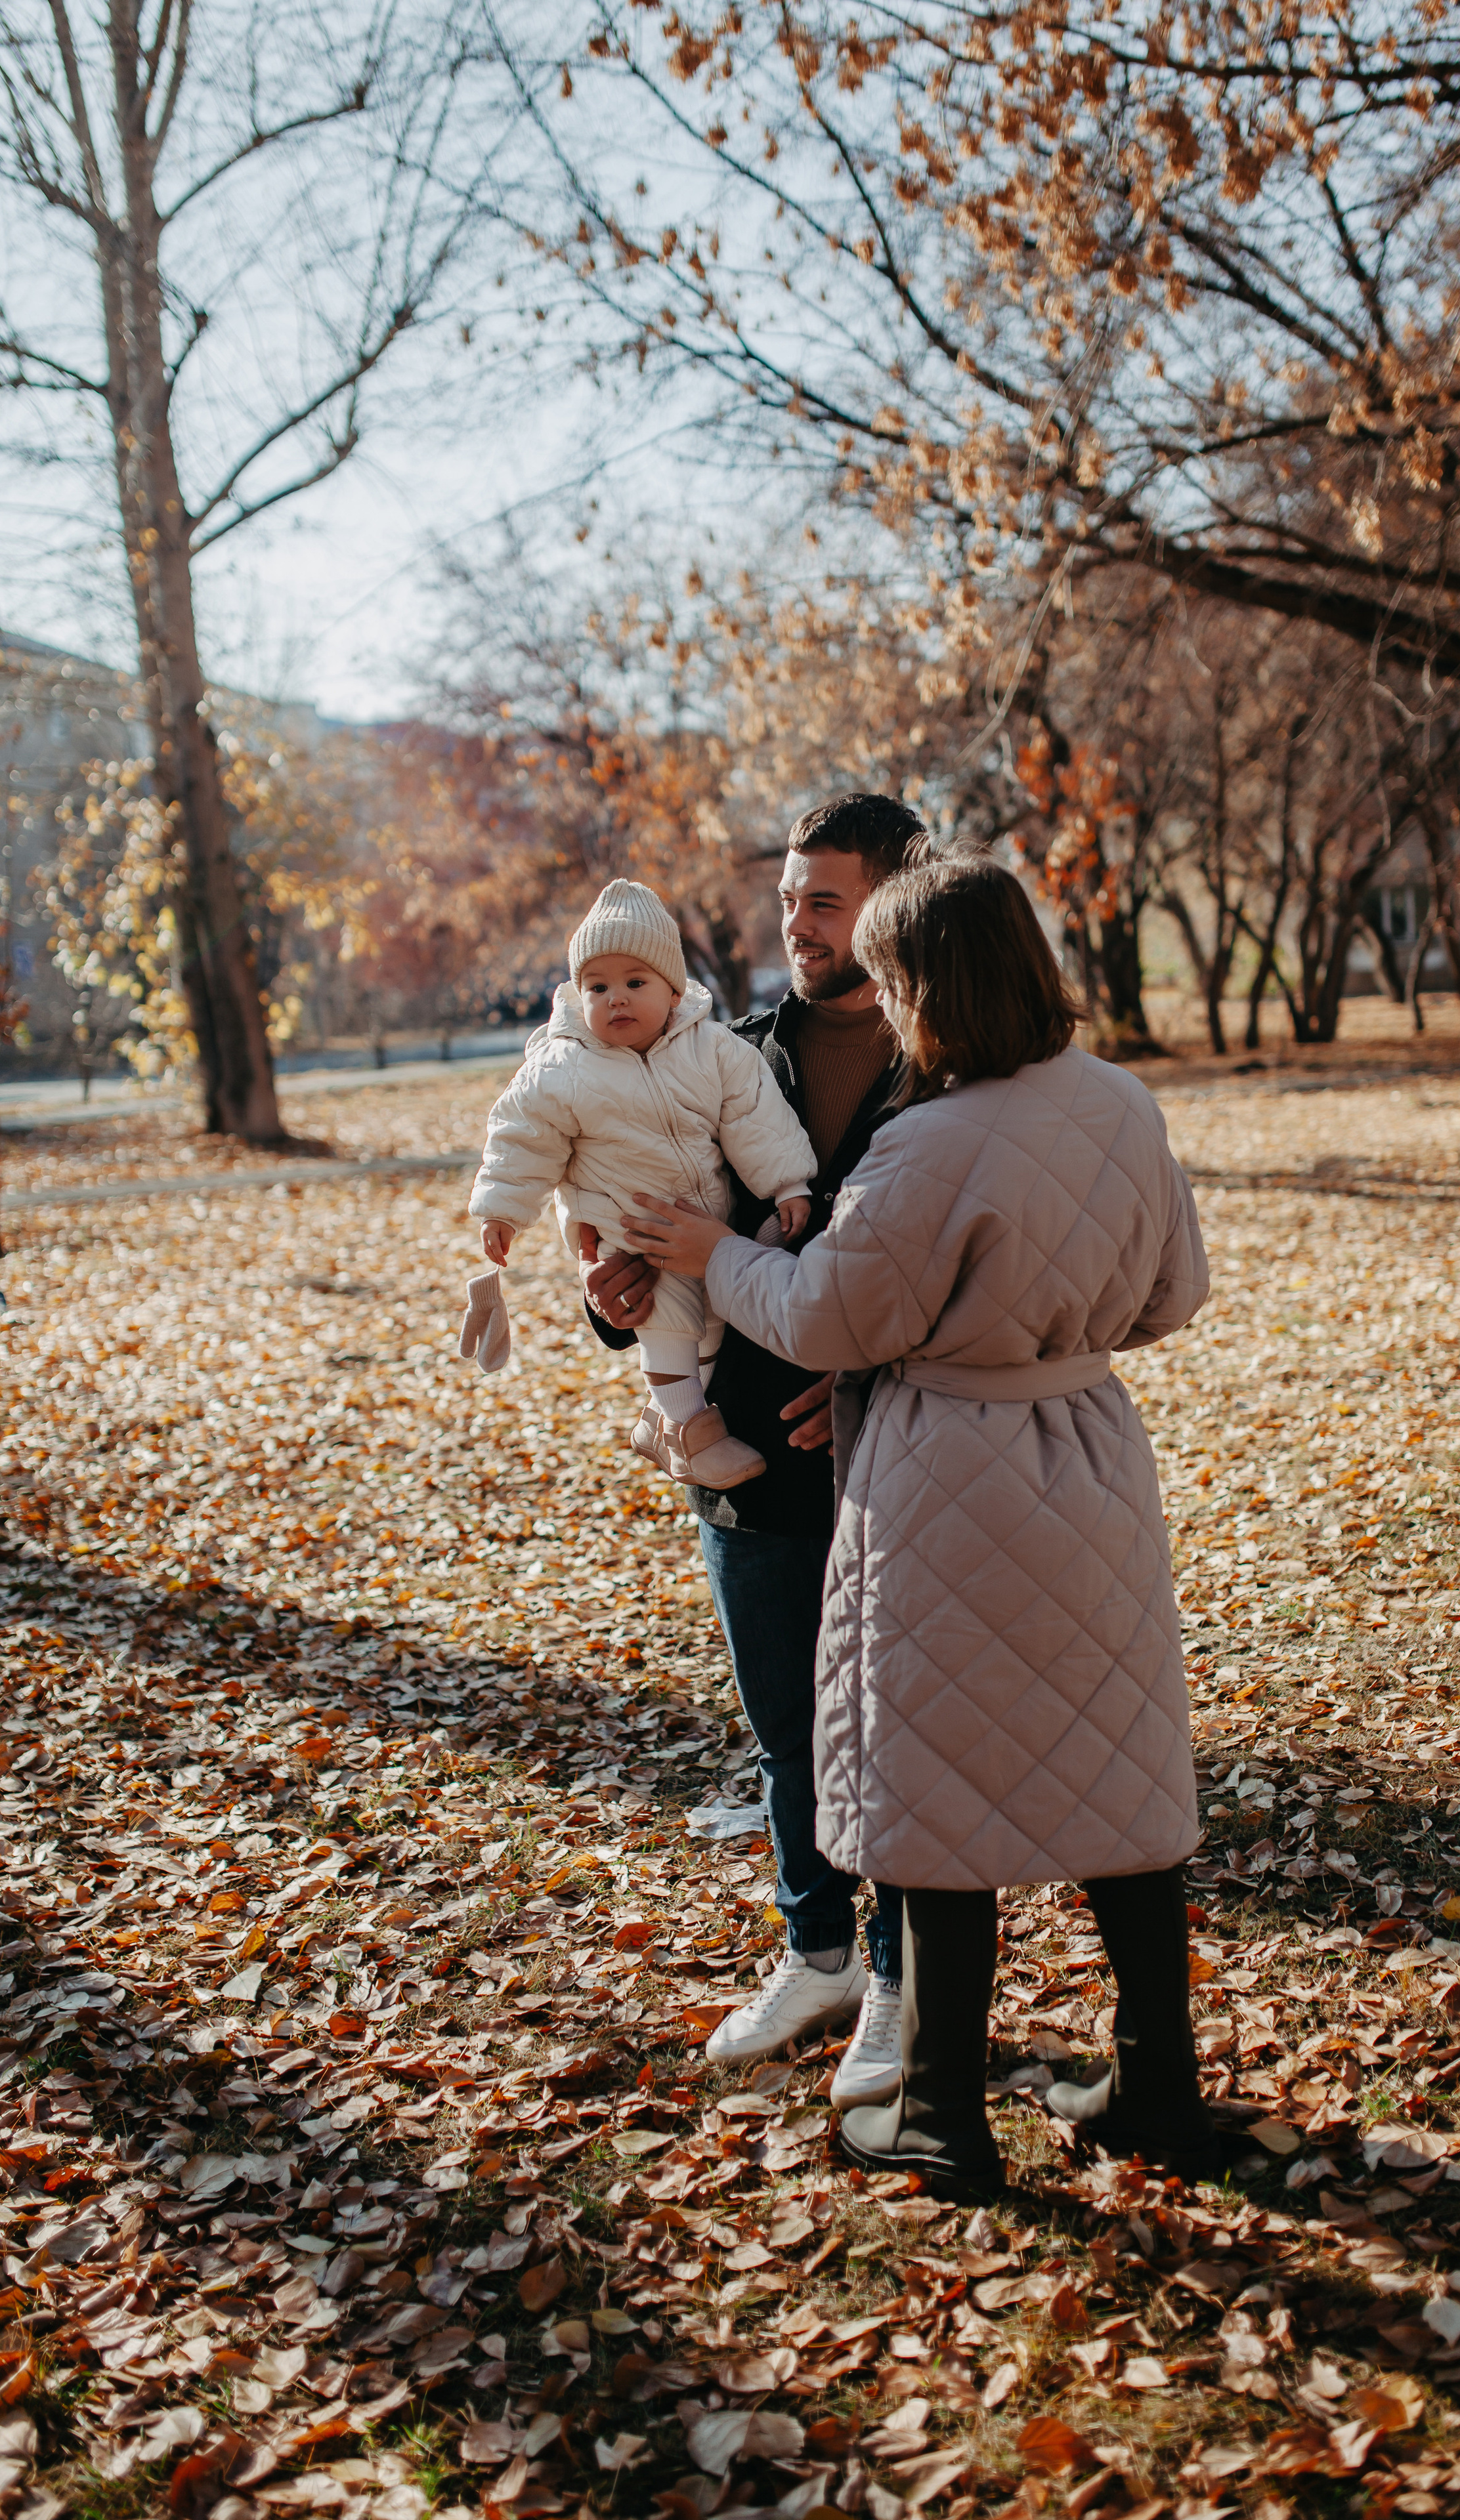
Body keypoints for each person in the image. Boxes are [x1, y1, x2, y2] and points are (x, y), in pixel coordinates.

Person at [621, 856, 1222, 2190]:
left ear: (924, 988)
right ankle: (1157, 2086)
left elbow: (828, 1316)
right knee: (1119, 1772)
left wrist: (710, 1257)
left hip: (950, 1478)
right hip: (1091, 1463)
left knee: (934, 1784)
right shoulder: (1119, 1103)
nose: (880, 1008)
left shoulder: (924, 1140)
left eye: (889, 982)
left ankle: (944, 2115)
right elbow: (1171, 1291)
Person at [580, 797, 918, 2101]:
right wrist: (608, 1295)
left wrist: (875, 1374)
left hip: (901, 1444)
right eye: (789, 898)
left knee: (893, 1725)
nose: (796, 923)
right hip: (749, 1452)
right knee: (787, 1723)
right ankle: (818, 1947)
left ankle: (899, 1970)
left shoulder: (948, 1061)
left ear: (893, 902)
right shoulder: (723, 1053)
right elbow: (643, 1198)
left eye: (823, 899)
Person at [465, 879, 817, 1489]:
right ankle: (687, 1427)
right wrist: (502, 1209)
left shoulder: (715, 1050)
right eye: (597, 987)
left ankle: (668, 1417)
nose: (616, 1000)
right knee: (669, 1317)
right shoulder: (563, 1064)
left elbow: (756, 1117)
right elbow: (523, 1135)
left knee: (711, 1318)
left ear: (674, 992)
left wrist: (788, 1183)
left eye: (635, 983)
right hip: (625, 1225)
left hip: (706, 1219)